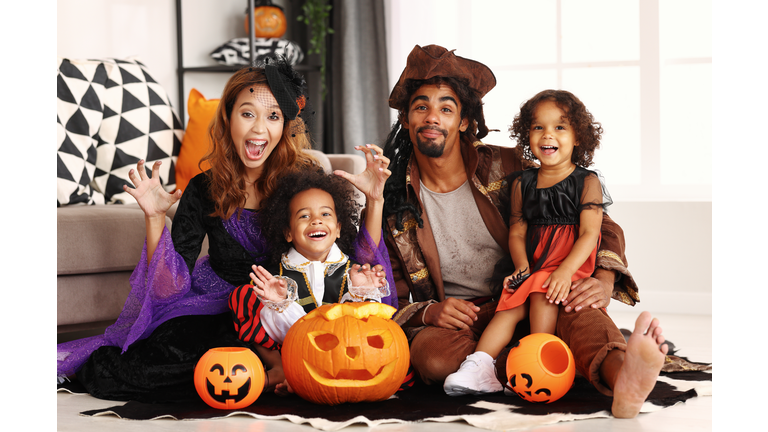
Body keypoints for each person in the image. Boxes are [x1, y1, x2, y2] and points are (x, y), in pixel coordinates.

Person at [56, 57, 393, 402]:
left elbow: (355, 261)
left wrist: (375, 200)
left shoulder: (303, 182)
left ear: (286, 126)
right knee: (155, 367)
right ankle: (276, 371)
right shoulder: (203, 188)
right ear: (228, 118)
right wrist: (156, 217)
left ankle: (277, 368)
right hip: (217, 306)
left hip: (295, 308)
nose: (259, 129)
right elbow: (167, 288)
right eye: (248, 113)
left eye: (273, 116)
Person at [382, 44, 667, 418]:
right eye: (422, 107)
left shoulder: (509, 165)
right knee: (432, 358)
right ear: (406, 118)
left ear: (464, 121)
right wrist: (430, 312)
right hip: (468, 320)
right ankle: (540, 361)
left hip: (540, 292)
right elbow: (391, 291)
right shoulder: (394, 202)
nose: (432, 117)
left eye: (446, 108)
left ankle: (624, 379)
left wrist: (603, 277)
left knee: (581, 313)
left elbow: (598, 223)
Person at [443, 89, 614, 395]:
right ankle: (479, 365)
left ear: (578, 138)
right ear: (527, 136)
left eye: (560, 127)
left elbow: (590, 234)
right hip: (536, 264)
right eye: (538, 127)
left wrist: (564, 271)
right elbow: (518, 231)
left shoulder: (586, 181)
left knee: (541, 293)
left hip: (569, 265)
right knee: (509, 302)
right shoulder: (523, 182)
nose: (548, 134)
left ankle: (538, 362)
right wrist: (521, 264)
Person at [228, 170, 394, 393]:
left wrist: (362, 293)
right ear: (288, 232)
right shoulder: (277, 276)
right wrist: (279, 304)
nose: (316, 220)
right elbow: (275, 329)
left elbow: (360, 327)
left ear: (338, 229)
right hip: (291, 353)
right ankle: (279, 368)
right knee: (246, 295)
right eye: (304, 216)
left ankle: (304, 377)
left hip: (342, 354)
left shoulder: (353, 272)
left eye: (325, 214)